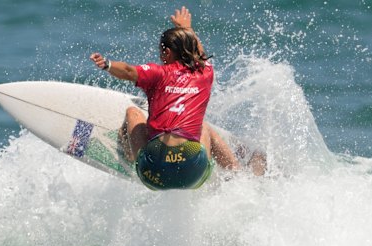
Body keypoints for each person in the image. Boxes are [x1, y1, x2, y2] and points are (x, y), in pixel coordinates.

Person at [90, 6, 265, 190]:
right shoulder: (205, 73)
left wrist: (107, 64)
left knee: (133, 113)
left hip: (152, 174)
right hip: (192, 175)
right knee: (204, 127)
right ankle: (237, 174)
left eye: (161, 51)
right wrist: (187, 29)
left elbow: (127, 71)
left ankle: (131, 156)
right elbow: (201, 57)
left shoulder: (158, 74)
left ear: (166, 53)